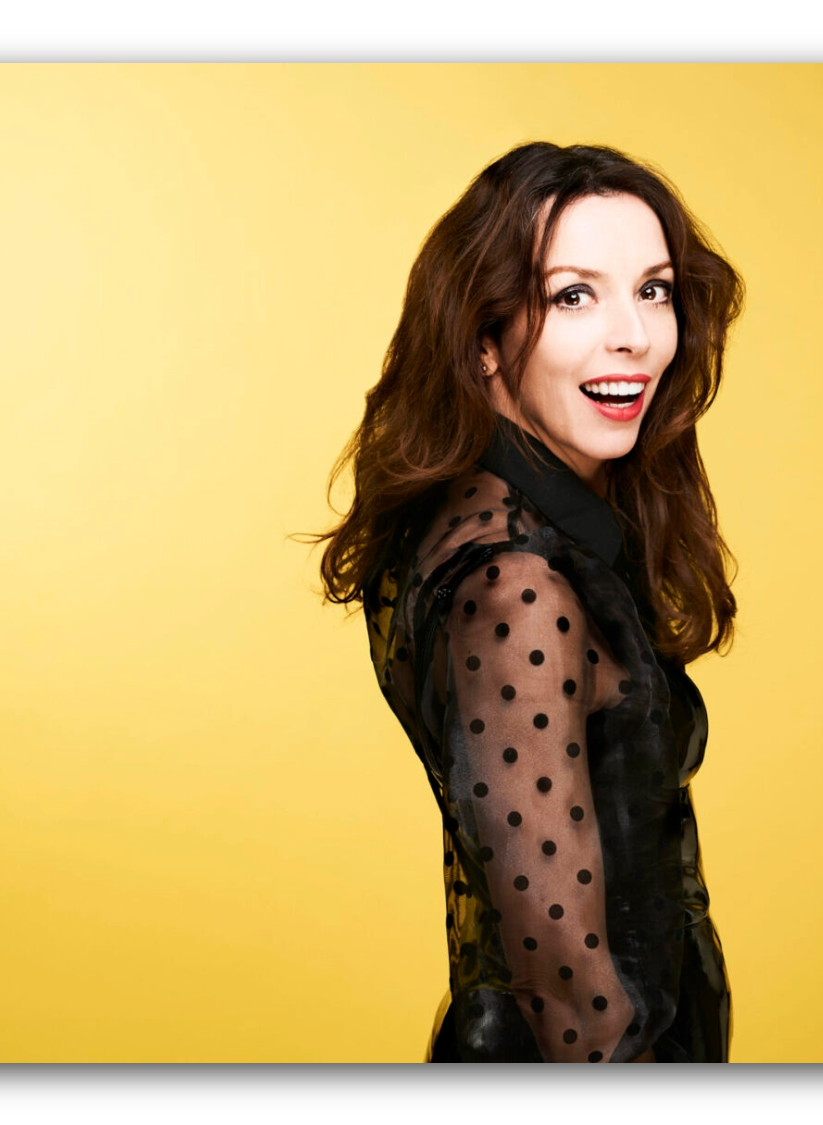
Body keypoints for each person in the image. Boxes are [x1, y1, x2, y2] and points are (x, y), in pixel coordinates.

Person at [306, 141, 745, 1062]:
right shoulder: (517, 582)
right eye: (574, 295)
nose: (632, 333)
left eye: (654, 290)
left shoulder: (525, 522)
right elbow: (571, 1003)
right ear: (483, 337)